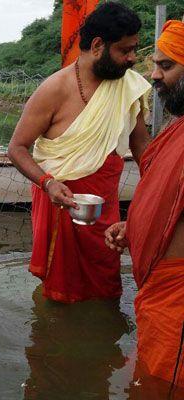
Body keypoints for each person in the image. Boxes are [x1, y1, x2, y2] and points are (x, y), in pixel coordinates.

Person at [7, 2, 151, 303]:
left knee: (107, 279)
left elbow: (140, 144)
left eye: (134, 49)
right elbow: (16, 148)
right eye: (125, 50)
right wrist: (47, 183)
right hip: (60, 203)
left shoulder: (129, 86)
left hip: (103, 207)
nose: (132, 58)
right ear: (98, 45)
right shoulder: (54, 89)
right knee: (61, 291)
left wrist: (158, 188)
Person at [105, 20, 184, 389]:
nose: (153, 76)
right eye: (154, 64)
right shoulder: (177, 129)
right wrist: (134, 228)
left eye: (166, 66)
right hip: (159, 292)